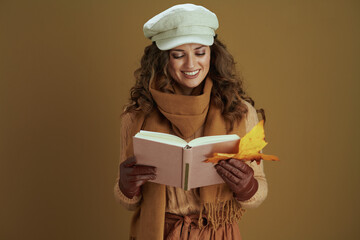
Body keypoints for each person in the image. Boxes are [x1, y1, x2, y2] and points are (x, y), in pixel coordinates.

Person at [114, 4, 268, 240]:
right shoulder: (136, 116)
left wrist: (247, 186)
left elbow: (259, 190)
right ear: (163, 59)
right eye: (178, 55)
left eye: (200, 52)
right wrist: (126, 186)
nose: (191, 65)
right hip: (161, 233)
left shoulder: (239, 112)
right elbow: (128, 201)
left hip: (218, 233)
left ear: (212, 54)